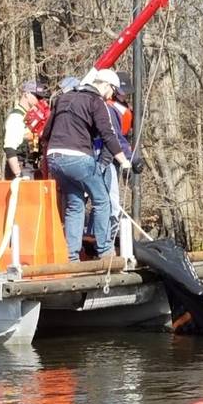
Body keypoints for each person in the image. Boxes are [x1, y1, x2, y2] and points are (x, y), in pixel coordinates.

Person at [43, 68, 131, 262]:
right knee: (102, 200)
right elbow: (108, 134)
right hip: (78, 158)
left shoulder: (64, 98)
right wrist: (124, 161)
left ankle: (71, 257)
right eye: (112, 91)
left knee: (75, 204)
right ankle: (105, 251)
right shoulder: (96, 101)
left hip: (54, 159)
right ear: (106, 86)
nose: (111, 96)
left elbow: (46, 132)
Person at [88, 71, 144, 240]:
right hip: (105, 155)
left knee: (105, 199)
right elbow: (115, 137)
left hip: (115, 154)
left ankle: (99, 238)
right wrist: (131, 157)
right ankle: (104, 241)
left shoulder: (122, 109)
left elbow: (122, 136)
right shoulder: (108, 108)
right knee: (109, 201)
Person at [3, 80, 50, 179]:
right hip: (21, 168)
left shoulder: (31, 119)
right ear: (27, 94)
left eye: (41, 98)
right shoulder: (16, 117)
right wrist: (18, 174)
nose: (39, 100)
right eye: (37, 97)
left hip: (31, 166)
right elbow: (9, 148)